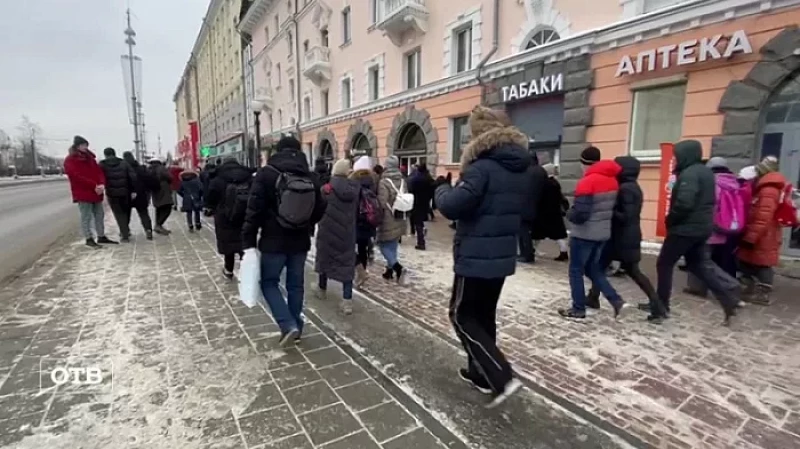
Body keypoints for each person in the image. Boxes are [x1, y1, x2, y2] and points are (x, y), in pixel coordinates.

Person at [435, 106, 528, 408]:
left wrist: (442, 190)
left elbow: (453, 206)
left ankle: (501, 376)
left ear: (478, 135)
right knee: (484, 317)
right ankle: (480, 373)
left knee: (461, 316)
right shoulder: (517, 167)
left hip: (476, 254)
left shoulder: (480, 168)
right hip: (500, 256)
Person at [242, 135, 326, 346]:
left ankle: (287, 324)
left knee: (269, 283)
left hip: (273, 241)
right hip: (300, 242)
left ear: (277, 151)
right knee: (295, 285)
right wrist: (305, 223)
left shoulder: (266, 174)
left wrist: (248, 241)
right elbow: (320, 209)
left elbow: (254, 210)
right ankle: (296, 325)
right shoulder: (311, 176)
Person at [652, 140, 739, 324]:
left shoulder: (690, 174)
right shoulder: (706, 172)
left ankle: (661, 307)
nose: (675, 159)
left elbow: (685, 203)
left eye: (677, 155)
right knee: (698, 265)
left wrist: (671, 220)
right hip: (702, 228)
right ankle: (728, 300)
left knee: (664, 264)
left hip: (685, 229)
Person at [586, 157, 659, 321]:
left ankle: (657, 305)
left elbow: (626, 215)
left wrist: (608, 210)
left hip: (622, 238)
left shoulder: (626, 189)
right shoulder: (631, 187)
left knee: (630, 271)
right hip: (623, 236)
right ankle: (592, 297)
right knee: (601, 266)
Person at [558, 147, 626, 320]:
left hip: (584, 234)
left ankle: (578, 308)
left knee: (576, 271)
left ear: (583, 163)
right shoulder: (612, 180)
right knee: (593, 269)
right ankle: (615, 299)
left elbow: (580, 215)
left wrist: (567, 212)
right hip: (602, 233)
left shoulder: (587, 182)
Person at [684, 157, 745, 298]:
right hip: (725, 227)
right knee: (705, 259)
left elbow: (706, 205)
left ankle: (728, 285)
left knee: (700, 259)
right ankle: (700, 287)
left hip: (707, 227)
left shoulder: (712, 183)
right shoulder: (733, 183)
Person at [737, 156, 786, 305]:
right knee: (749, 260)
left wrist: (751, 238)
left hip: (764, 234)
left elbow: (763, 216)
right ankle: (750, 288)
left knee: (763, 263)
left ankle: (762, 294)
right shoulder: (768, 187)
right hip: (763, 233)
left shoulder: (769, 190)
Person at [314, 158, 360, 314]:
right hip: (347, 231)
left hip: (327, 229)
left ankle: (322, 289)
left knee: (324, 258)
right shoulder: (354, 189)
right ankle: (347, 301)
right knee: (347, 264)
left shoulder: (326, 189)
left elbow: (318, 208)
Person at [64, 136, 117, 248]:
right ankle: (89, 238)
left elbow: (99, 172)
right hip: (83, 192)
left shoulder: (90, 159)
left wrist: (102, 184)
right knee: (86, 216)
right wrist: (94, 185)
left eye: (86, 145)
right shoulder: (70, 160)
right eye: (83, 145)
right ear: (77, 146)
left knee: (99, 214)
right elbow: (75, 176)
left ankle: (101, 236)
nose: (85, 147)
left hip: (96, 192)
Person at [206, 157, 254, 278]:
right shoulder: (248, 177)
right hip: (245, 214)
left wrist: (211, 208)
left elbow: (210, 198)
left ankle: (228, 269)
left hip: (224, 217)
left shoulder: (217, 178)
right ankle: (247, 269)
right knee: (244, 243)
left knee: (228, 243)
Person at [376, 156, 408, 282]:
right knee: (393, 244)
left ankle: (397, 267)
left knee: (382, 244)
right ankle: (389, 271)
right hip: (401, 216)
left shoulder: (384, 182)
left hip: (388, 218)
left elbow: (382, 202)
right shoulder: (403, 180)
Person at [99, 147, 137, 242]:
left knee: (119, 213)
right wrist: (133, 190)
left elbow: (99, 177)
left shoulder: (102, 165)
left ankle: (124, 234)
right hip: (125, 192)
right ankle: (125, 230)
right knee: (126, 211)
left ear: (105, 155)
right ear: (114, 153)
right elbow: (133, 177)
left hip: (112, 194)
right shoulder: (124, 163)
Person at [351, 156, 379, 285]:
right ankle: (364, 270)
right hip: (369, 219)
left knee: (349, 247)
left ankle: (360, 272)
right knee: (363, 247)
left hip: (356, 219)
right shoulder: (374, 180)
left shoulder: (354, 180)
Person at [532, 163, 569, 261]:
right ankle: (564, 252)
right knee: (558, 235)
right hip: (555, 213)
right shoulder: (555, 183)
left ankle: (532, 250)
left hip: (543, 213)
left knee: (537, 234)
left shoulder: (544, 183)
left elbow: (539, 198)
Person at [518, 153, 547, 263]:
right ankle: (528, 253)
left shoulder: (526, 172)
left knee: (523, 232)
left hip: (524, 206)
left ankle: (526, 254)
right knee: (529, 232)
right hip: (537, 206)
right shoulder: (541, 171)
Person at [122, 151, 154, 240]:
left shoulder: (123, 168)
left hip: (127, 194)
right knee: (144, 214)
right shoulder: (141, 168)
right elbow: (148, 179)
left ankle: (125, 231)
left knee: (126, 214)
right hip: (141, 194)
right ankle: (148, 230)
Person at [408, 162, 434, 250]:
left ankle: (421, 242)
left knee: (417, 222)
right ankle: (422, 233)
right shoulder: (429, 178)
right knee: (420, 220)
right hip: (425, 202)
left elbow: (411, 189)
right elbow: (432, 190)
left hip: (416, 202)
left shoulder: (416, 179)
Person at [148, 158, 174, 235]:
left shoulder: (149, 169)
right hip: (163, 189)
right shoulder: (161, 168)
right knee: (167, 208)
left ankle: (158, 225)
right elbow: (170, 177)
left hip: (155, 191)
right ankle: (158, 225)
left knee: (159, 208)